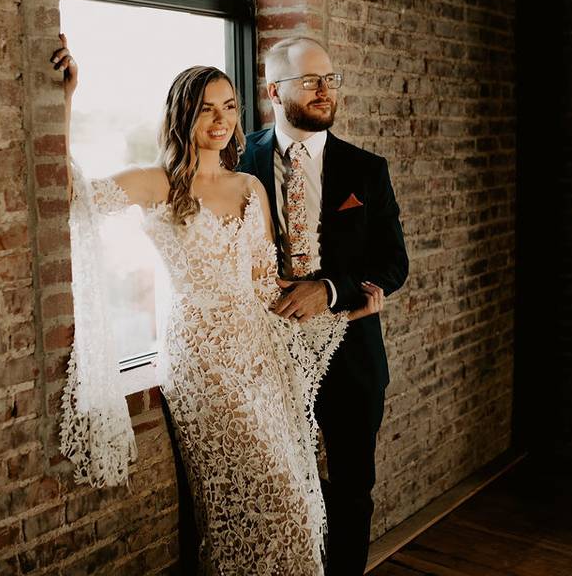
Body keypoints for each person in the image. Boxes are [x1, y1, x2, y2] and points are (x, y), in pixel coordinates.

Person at [50, 35, 386, 575]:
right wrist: (66, 101)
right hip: (202, 359)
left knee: (298, 505)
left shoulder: (250, 186)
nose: (221, 119)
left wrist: (341, 307)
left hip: (258, 354)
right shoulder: (157, 183)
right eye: (207, 108)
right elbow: (75, 197)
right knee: (262, 497)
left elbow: (266, 286)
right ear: (183, 115)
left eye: (229, 107)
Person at [237, 36, 409, 575]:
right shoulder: (237, 163)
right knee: (280, 489)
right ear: (273, 90)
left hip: (351, 359)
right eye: (310, 81)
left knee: (353, 489)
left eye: (330, 79)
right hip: (265, 362)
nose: (324, 90)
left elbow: (393, 263)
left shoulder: (366, 170)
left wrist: (330, 290)